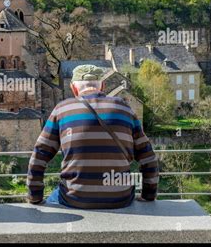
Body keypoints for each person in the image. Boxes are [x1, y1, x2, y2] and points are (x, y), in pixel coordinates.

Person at [27, 65, 158, 209]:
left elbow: (40, 154)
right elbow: (148, 157)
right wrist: (148, 195)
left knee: (52, 198)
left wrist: (35, 197)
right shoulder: (124, 108)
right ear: (102, 86)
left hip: (74, 198)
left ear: (73, 88)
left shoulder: (62, 109)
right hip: (121, 198)